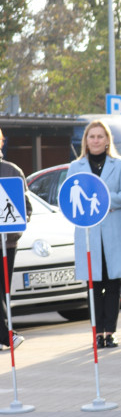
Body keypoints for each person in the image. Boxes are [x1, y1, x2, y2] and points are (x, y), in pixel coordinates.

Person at [66, 120, 121, 349]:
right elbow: (67, 197)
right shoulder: (76, 167)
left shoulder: (120, 165)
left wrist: (106, 200)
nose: (95, 140)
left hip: (113, 233)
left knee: (113, 285)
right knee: (94, 286)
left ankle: (110, 332)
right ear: (86, 141)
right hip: (89, 235)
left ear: (107, 140)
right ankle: (97, 333)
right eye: (91, 136)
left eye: (100, 136)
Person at [0, 129, 32, 351]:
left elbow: (26, 209)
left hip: (6, 244)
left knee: (3, 291)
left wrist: (13, 230)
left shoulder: (12, 171)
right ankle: (7, 336)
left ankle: (6, 336)